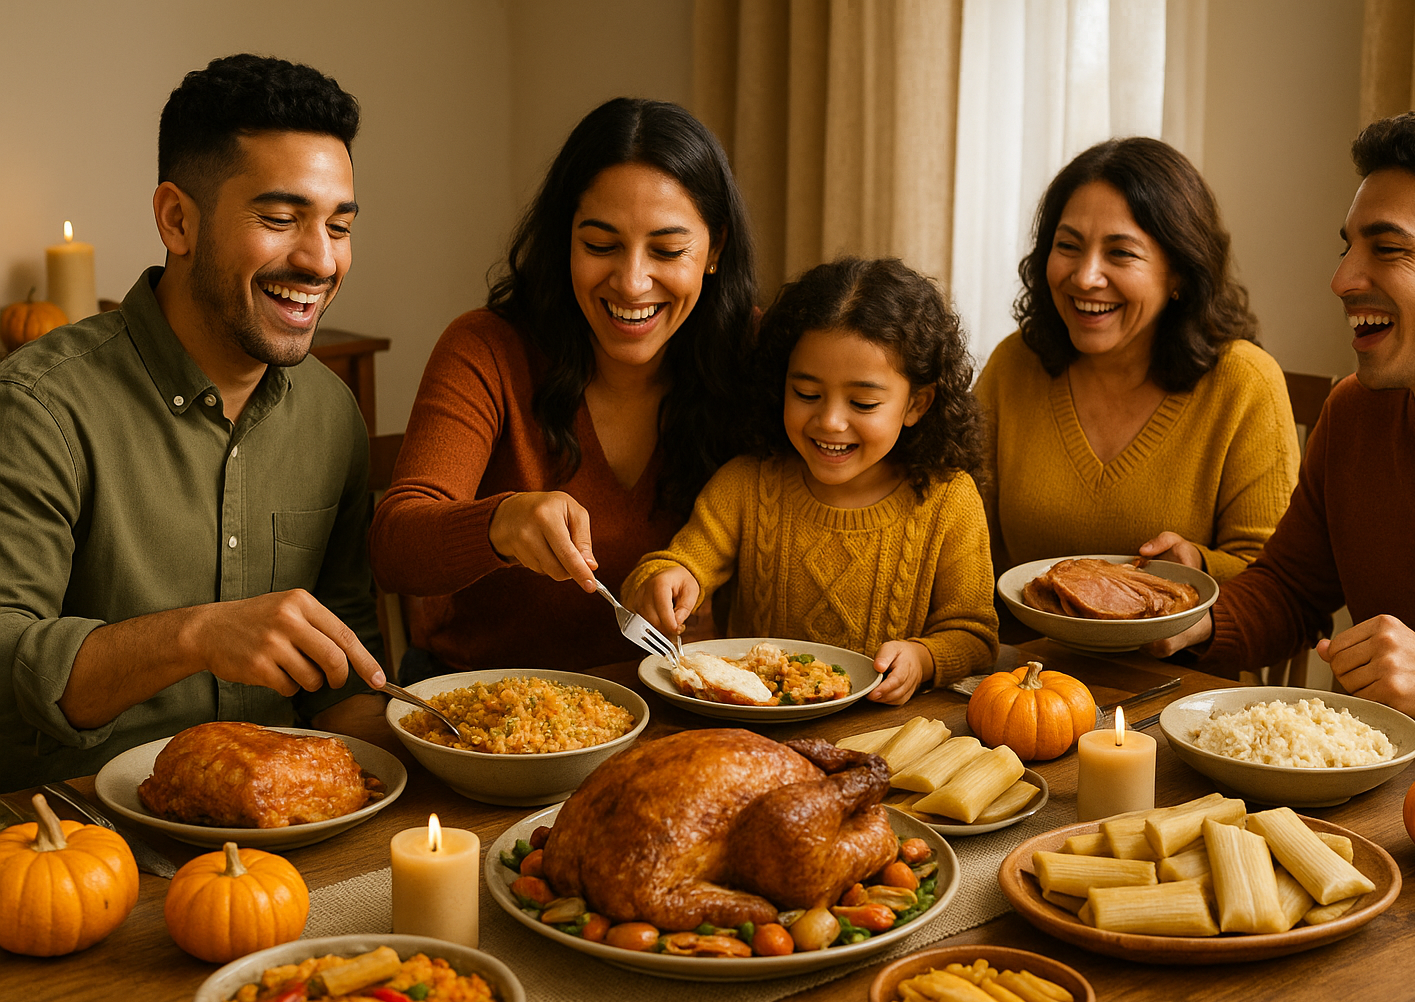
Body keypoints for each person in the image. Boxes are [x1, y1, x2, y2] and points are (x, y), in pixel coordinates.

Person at [0, 55, 388, 788]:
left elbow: (345, 671)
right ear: (177, 219)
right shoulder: (38, 407)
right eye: (280, 220)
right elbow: (5, 655)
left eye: (339, 226)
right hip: (78, 838)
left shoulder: (331, 412)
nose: (319, 259)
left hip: (288, 821)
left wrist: (465, 741)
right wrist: (197, 635)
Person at [1149, 104, 1415, 754]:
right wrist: (1191, 621)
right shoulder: (1354, 412)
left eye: (1387, 249)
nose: (1341, 280)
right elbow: (1293, 591)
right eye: (1346, 247)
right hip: (1382, 796)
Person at [369, 98, 758, 679]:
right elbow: (395, 547)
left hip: (676, 706)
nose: (631, 282)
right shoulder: (487, 348)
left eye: (668, 250)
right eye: (600, 245)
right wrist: (500, 523)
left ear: (715, 250)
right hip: (486, 708)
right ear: (564, 241)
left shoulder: (755, 354)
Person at [623, 257, 1000, 705]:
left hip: (884, 735)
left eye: (862, 403)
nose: (830, 421)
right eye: (807, 394)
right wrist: (665, 580)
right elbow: (675, 564)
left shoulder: (948, 501)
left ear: (917, 404)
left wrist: (924, 659)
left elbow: (974, 635)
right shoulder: (747, 484)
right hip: (757, 733)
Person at [976, 137, 1299, 587]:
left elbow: (1277, 582)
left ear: (1180, 274)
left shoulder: (1245, 383)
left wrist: (1199, 565)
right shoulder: (1014, 364)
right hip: (1023, 657)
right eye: (1067, 246)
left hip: (1175, 659)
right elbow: (958, 535)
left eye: (1121, 253)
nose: (1086, 277)